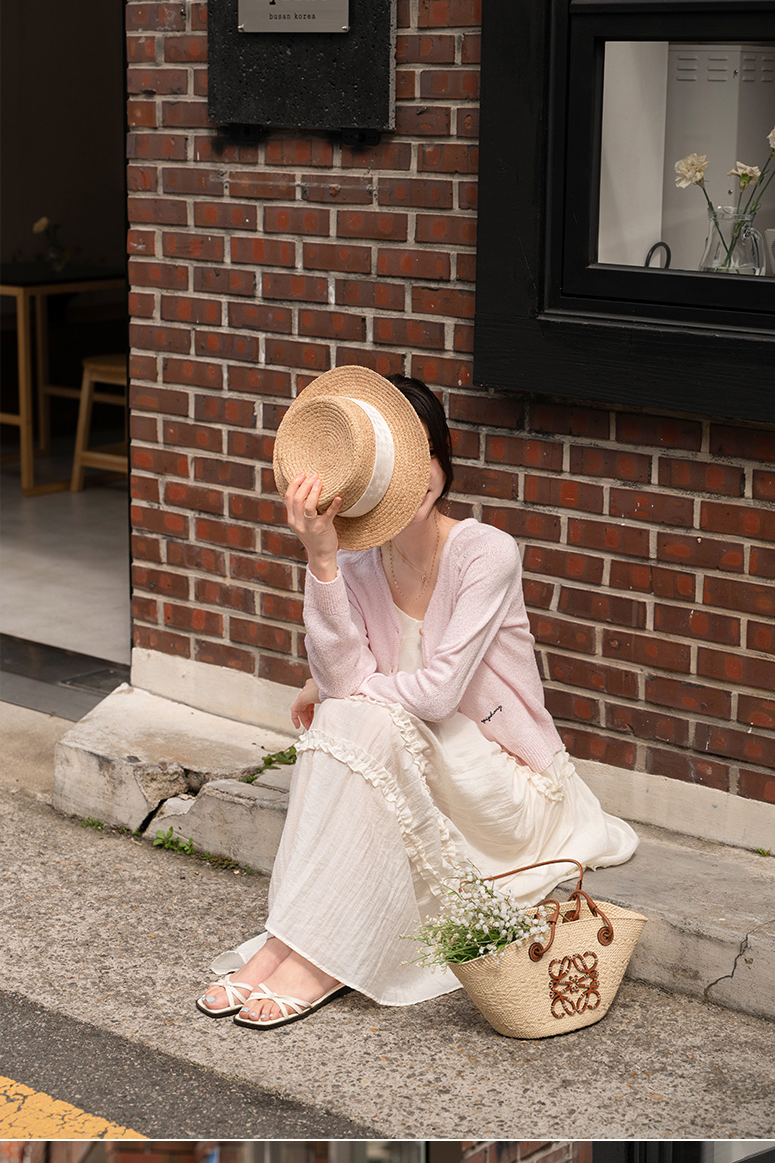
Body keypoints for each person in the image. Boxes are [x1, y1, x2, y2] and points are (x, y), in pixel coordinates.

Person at [197, 367, 638, 1029]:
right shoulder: (353, 563)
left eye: (427, 451)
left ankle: (318, 961)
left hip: (503, 787)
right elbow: (345, 679)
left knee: (348, 715)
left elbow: (435, 694)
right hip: (414, 767)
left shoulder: (486, 553)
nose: (421, 475)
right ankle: (287, 943)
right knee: (348, 716)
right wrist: (321, 560)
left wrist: (344, 689)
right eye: (396, 465)